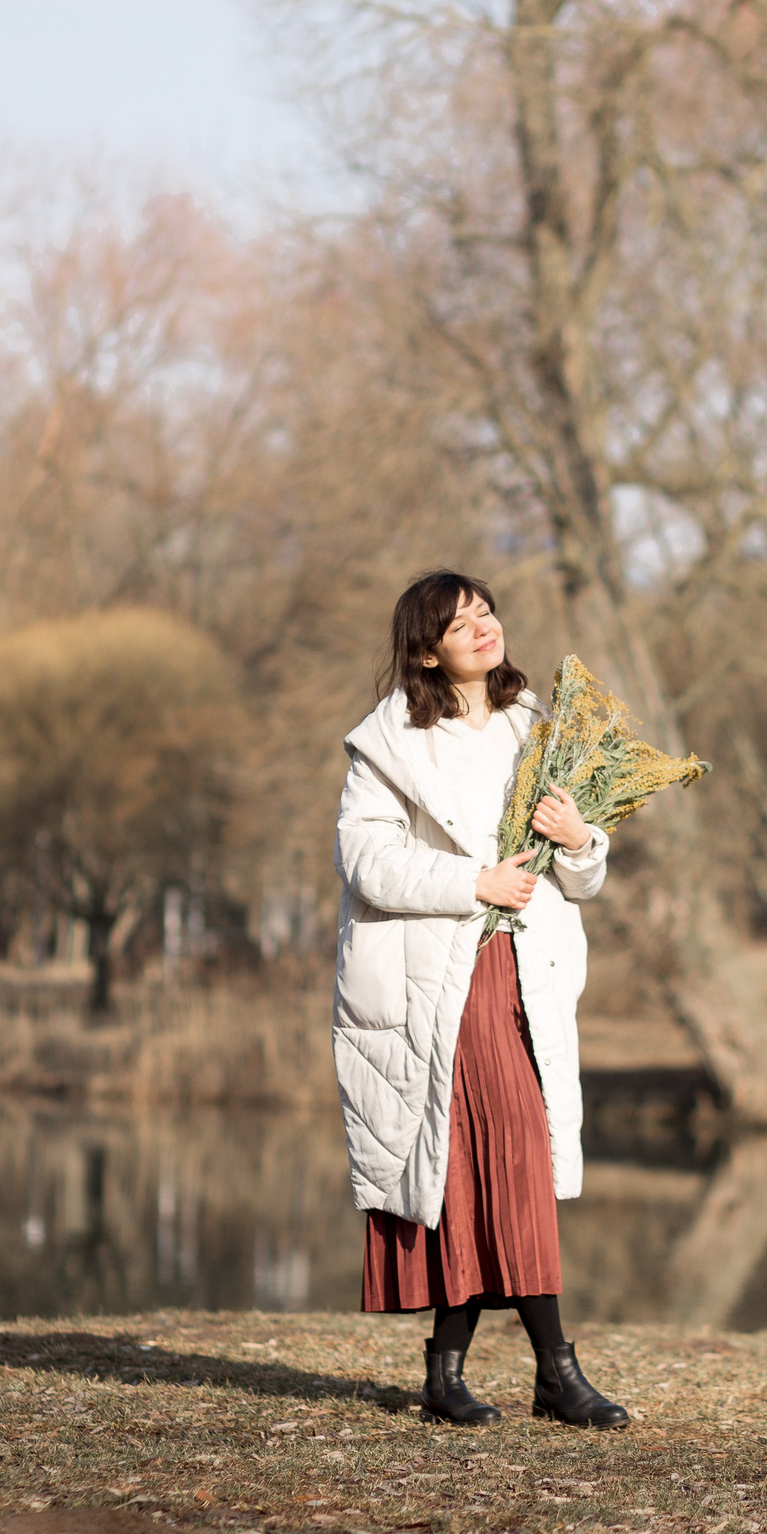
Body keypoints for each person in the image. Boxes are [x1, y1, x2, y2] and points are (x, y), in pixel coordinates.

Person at [330, 570, 630, 1429]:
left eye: (486, 611)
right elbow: (368, 864)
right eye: (460, 622)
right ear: (427, 649)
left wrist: (582, 838)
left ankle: (448, 1370)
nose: (483, 627)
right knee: (510, 1152)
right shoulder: (389, 741)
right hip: (443, 975)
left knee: (481, 1163)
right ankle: (555, 1369)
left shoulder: (534, 723)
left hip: (525, 973)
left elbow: (577, 874)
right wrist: (475, 880)